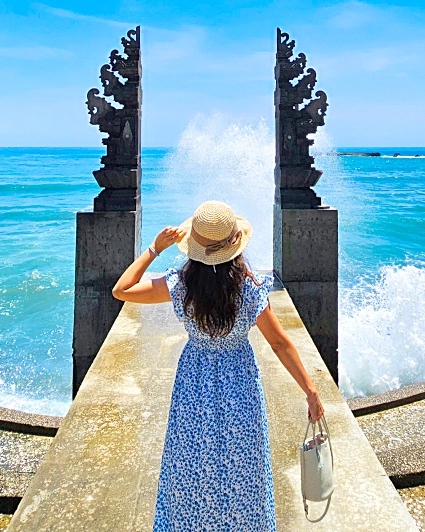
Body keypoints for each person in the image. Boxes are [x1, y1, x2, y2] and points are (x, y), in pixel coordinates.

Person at [112, 200, 325, 532]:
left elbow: (121, 290)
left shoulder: (181, 285)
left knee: (190, 466)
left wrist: (155, 248)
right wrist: (311, 392)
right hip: (240, 385)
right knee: (244, 468)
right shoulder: (250, 290)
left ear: (194, 248)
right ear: (235, 246)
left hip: (192, 384)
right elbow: (280, 343)